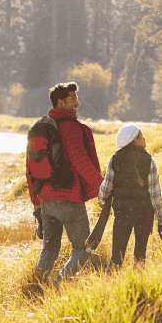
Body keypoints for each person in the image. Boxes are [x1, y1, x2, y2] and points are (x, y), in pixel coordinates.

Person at [30, 82, 103, 285]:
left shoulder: (41, 127)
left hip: (46, 199)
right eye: (73, 99)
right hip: (68, 198)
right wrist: (104, 187)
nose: (77, 103)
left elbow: (30, 168)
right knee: (84, 249)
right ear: (60, 102)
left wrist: (36, 200)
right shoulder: (69, 127)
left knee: (49, 249)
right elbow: (81, 162)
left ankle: (38, 287)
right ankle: (58, 285)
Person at [97, 124, 162, 270]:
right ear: (135, 140)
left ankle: (110, 284)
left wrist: (103, 199)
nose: (144, 138)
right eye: (141, 136)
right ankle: (137, 287)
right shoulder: (149, 160)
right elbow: (156, 195)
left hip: (122, 213)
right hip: (145, 213)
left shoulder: (115, 159)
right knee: (140, 257)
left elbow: (105, 190)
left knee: (117, 257)